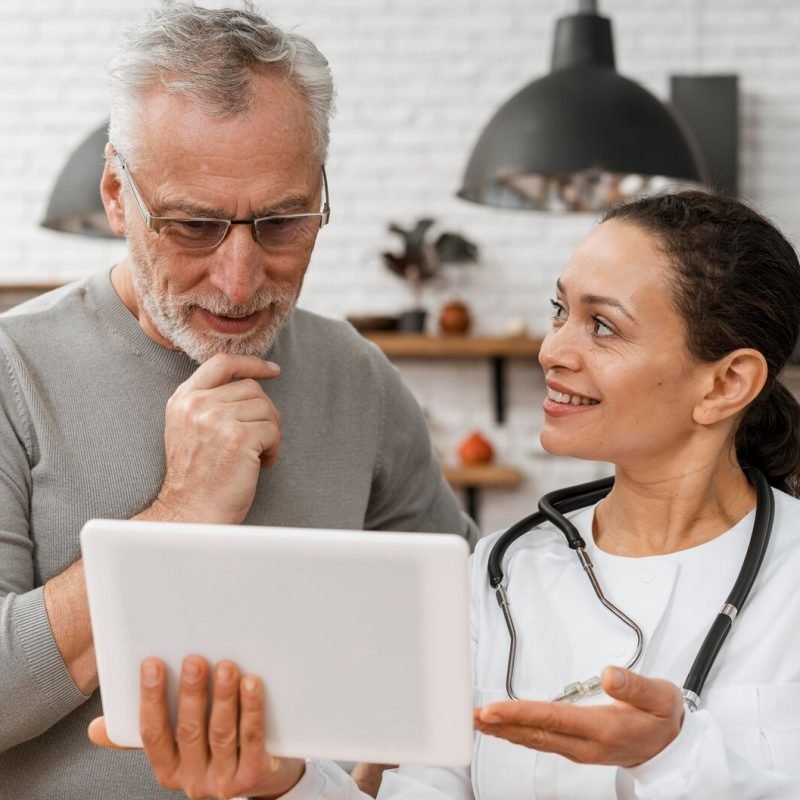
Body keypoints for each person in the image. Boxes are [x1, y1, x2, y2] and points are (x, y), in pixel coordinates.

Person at [91, 189, 800, 799]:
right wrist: (286, 779)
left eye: (602, 325)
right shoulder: (501, 574)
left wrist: (672, 753)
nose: (553, 350)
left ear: (725, 383)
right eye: (560, 310)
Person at [0, 4, 474, 798]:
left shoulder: (355, 374)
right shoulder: (13, 372)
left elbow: (460, 637)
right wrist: (179, 514)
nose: (241, 279)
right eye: (193, 226)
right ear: (119, 195)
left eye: (285, 222)